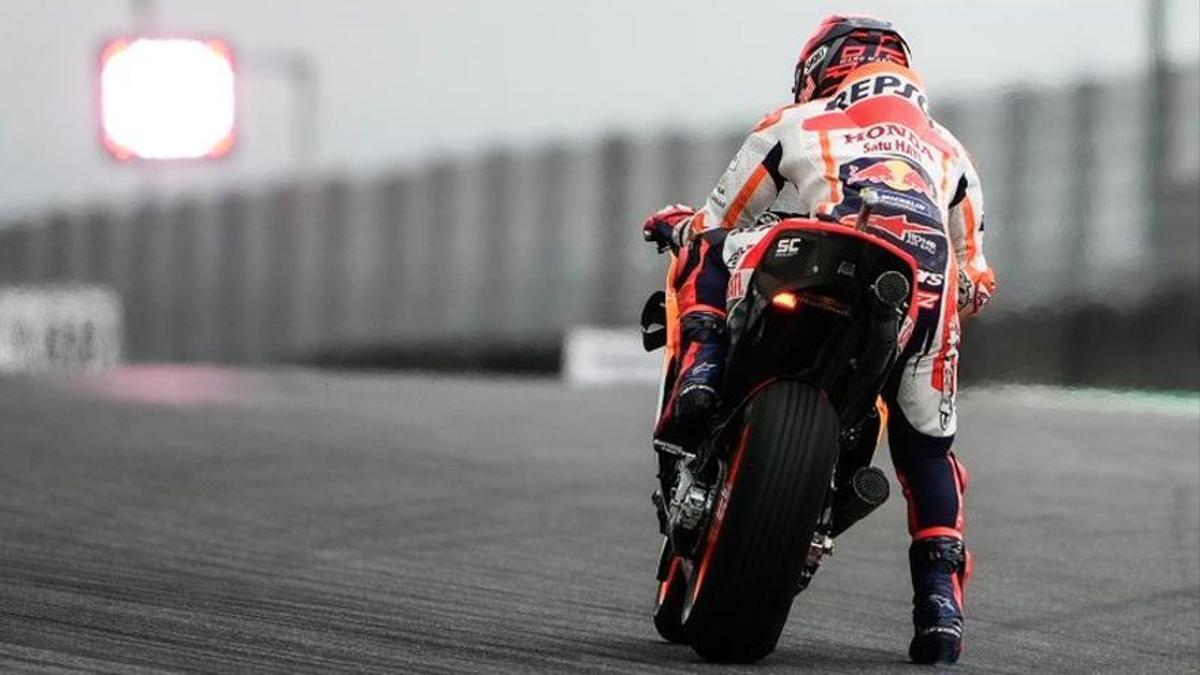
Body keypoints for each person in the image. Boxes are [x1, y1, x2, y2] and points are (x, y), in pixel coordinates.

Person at [641, 14, 997, 665]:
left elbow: (720, 218)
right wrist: (955, 301)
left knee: (705, 250)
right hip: (920, 287)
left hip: (815, 254)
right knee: (927, 447)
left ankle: (701, 370)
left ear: (823, 67)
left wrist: (675, 225)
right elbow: (975, 276)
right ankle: (940, 606)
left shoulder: (796, 120)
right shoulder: (952, 152)